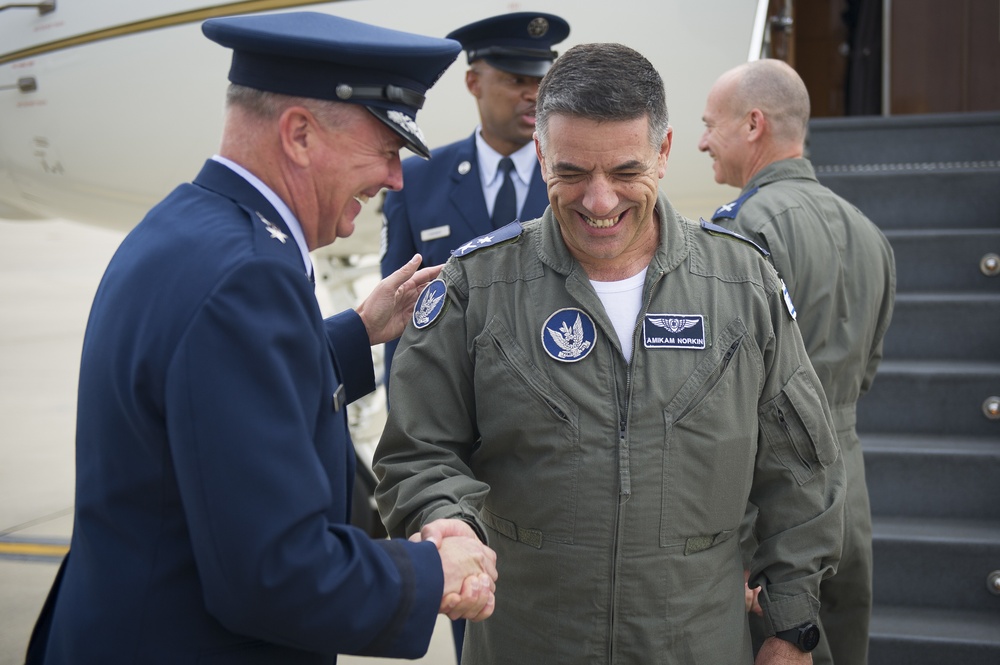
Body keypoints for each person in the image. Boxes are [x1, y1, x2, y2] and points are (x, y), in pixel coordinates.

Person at [24, 12, 499, 664]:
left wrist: (357, 333)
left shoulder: (189, 223)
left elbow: (207, 389)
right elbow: (275, 572)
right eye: (386, 149)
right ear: (299, 134)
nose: (395, 179)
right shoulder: (248, 279)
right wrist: (430, 573)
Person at [374, 42, 846, 664]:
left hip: (696, 642)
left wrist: (790, 627)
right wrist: (447, 522)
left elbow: (800, 474)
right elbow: (418, 451)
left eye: (626, 173)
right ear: (541, 155)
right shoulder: (476, 288)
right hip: (531, 642)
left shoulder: (744, 286)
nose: (600, 202)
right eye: (571, 173)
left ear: (665, 151)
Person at [699, 58, 895, 665]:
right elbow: (864, 372)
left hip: (772, 500)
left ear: (753, 124)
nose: (702, 140)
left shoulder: (742, 231)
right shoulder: (869, 233)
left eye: (710, 124)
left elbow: (719, 388)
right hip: (849, 489)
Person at [379, 11, 569, 383]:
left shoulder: (574, 177)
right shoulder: (417, 180)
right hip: (448, 399)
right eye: (516, 80)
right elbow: (396, 309)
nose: (534, 95)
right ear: (473, 81)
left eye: (542, 80)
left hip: (555, 400)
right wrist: (402, 417)